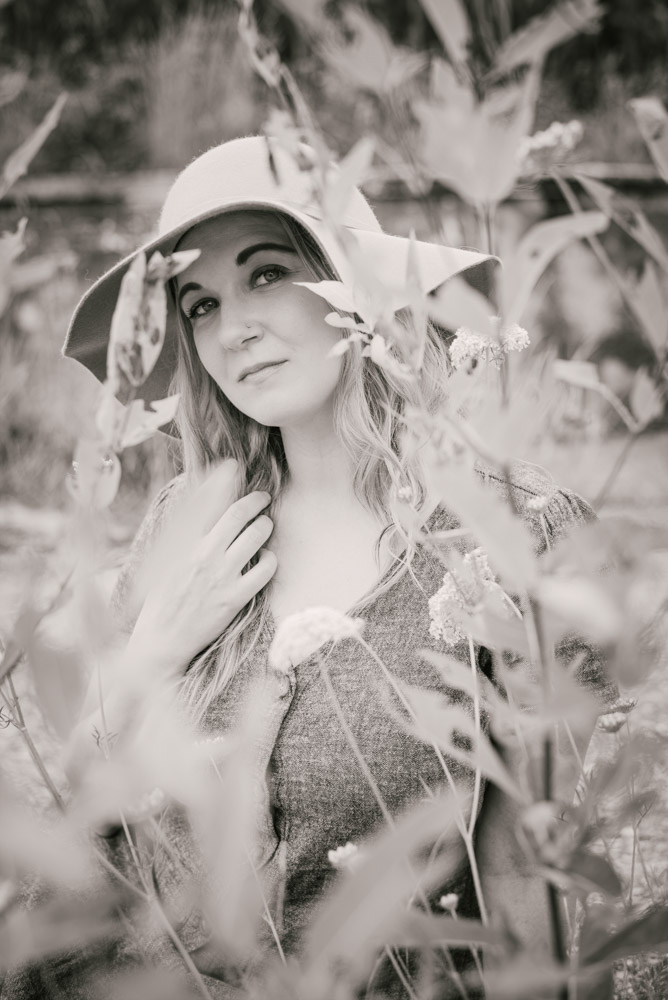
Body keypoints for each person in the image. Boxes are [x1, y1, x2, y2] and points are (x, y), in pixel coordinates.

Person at [5, 137, 618, 1000]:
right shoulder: (189, 522)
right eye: (199, 304)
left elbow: (530, 894)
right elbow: (79, 823)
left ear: (354, 288)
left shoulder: (511, 532)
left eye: (266, 273)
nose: (234, 329)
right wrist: (149, 655)